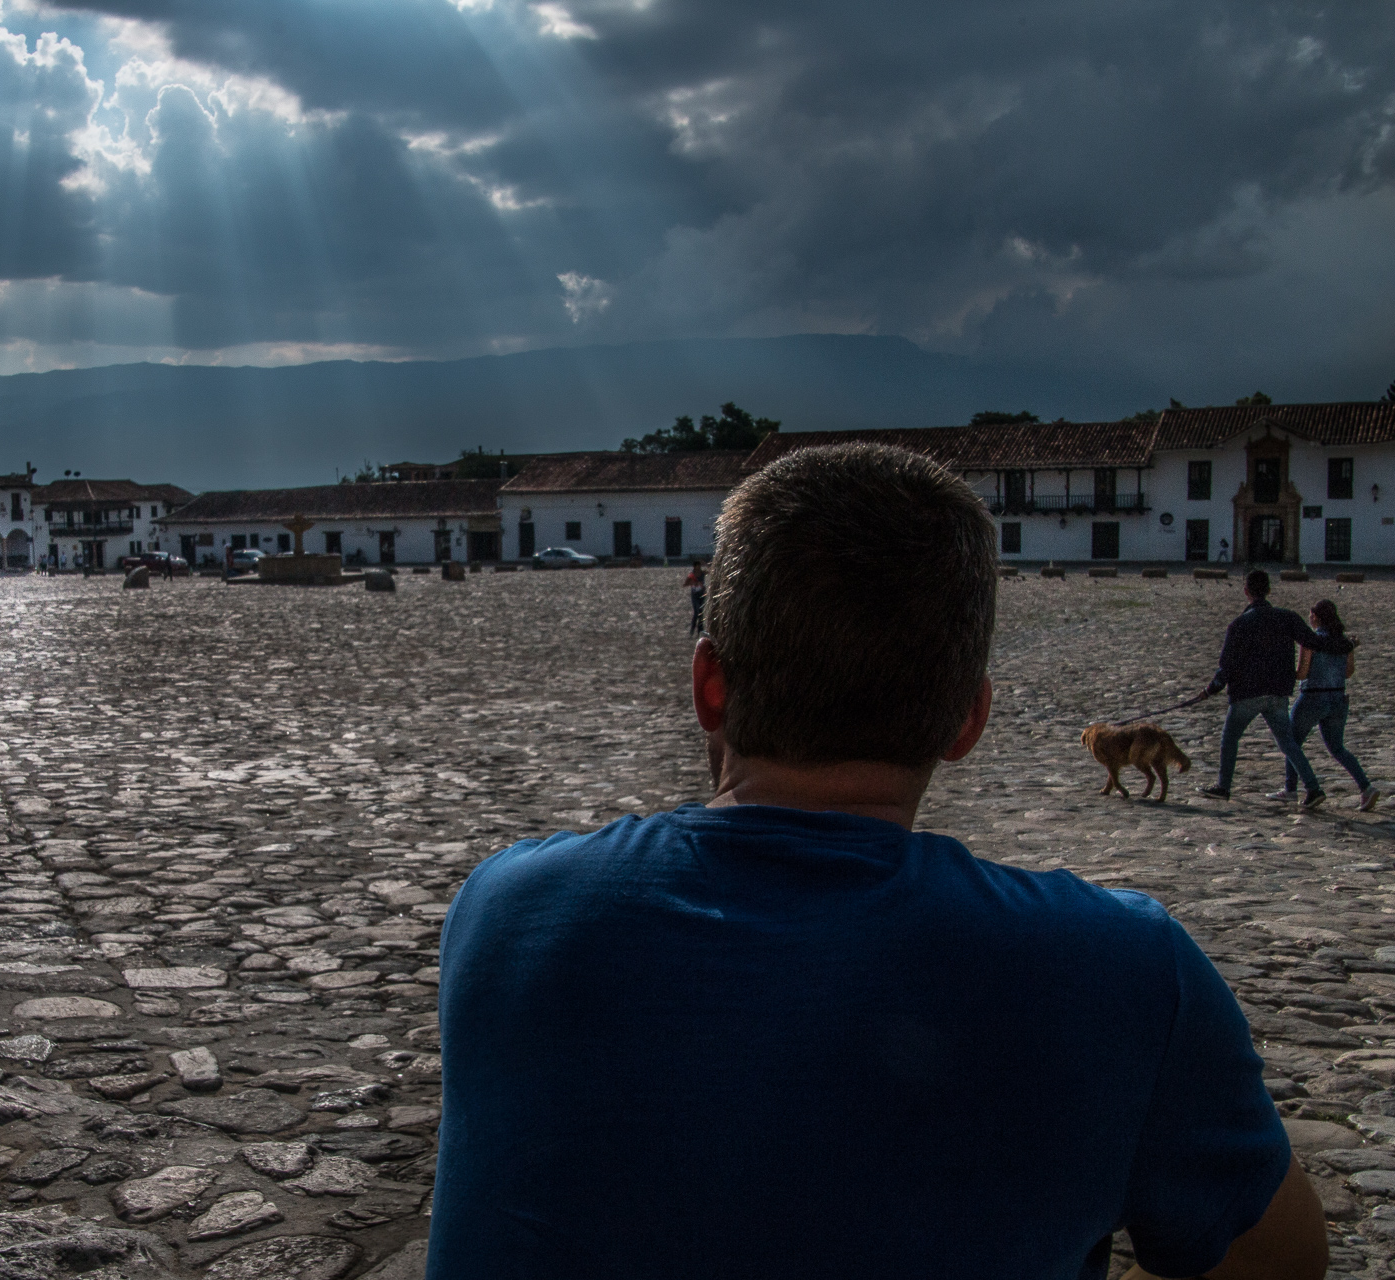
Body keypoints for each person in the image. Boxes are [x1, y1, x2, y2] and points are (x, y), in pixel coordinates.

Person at [430, 444, 1325, 1280]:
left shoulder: (507, 908)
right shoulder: (1125, 972)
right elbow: (1287, 1259)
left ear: (710, 684)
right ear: (968, 719)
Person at [1198, 568, 1352, 808]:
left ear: (1246, 591)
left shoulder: (1238, 625)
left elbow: (1225, 667)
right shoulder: (1288, 617)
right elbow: (1314, 642)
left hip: (1247, 693)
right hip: (1277, 693)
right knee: (1288, 743)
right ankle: (1313, 788)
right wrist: (1345, 645)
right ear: (1269, 590)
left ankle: (1223, 787)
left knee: (1230, 739)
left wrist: (1210, 690)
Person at [1272, 598, 1380, 811]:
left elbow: (1302, 672)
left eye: (1311, 614)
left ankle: (1291, 789)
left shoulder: (1310, 640)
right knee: (1337, 748)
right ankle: (1366, 787)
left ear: (1316, 617)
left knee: (1291, 742)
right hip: (1338, 699)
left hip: (1313, 697)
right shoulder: (1344, 642)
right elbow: (1348, 672)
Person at [683, 559, 706, 635]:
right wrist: (693, 583)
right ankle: (692, 630)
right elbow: (684, 584)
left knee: (701, 613)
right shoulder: (691, 575)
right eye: (697, 566)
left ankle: (700, 631)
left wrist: (705, 563)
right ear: (694, 567)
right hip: (695, 596)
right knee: (696, 612)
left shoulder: (702, 573)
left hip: (702, 595)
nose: (699, 568)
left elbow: (711, 570)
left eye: (700, 566)